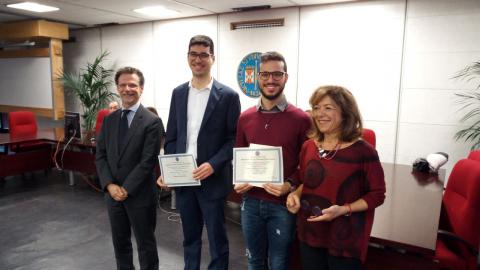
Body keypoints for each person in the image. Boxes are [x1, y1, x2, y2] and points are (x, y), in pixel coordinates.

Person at [157, 35, 241, 270]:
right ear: (188, 58)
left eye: (204, 54)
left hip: (212, 180)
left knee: (217, 239)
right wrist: (169, 170)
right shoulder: (178, 93)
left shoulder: (228, 96)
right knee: (190, 238)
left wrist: (214, 164)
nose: (198, 59)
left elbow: (234, 139)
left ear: (212, 58)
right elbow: (172, 136)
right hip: (184, 181)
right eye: (194, 54)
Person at [286, 85, 386, 270]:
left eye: (328, 108)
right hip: (310, 232)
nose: (319, 114)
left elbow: (377, 195)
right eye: (316, 108)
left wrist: (343, 209)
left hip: (345, 238)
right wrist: (295, 195)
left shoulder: (364, 152)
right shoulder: (309, 146)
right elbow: (303, 181)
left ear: (346, 113)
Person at [234, 51, 311, 270]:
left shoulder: (301, 119)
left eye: (277, 74)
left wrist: (290, 185)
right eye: (265, 74)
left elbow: (309, 165)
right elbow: (238, 156)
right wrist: (238, 180)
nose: (270, 80)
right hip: (250, 203)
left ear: (286, 77)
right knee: (254, 261)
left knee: (280, 263)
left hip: (282, 205)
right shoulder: (245, 117)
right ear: (257, 78)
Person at [96, 67, 162, 270]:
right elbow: (101, 156)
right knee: (120, 244)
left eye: (132, 85)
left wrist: (125, 189)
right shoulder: (109, 119)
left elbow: (147, 162)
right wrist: (109, 185)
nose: (127, 89)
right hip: (113, 194)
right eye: (123, 85)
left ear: (141, 88)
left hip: (140, 194)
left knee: (145, 245)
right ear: (117, 88)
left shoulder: (152, 121)